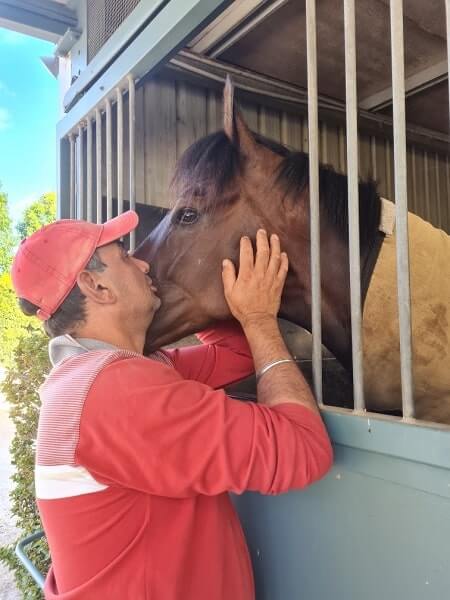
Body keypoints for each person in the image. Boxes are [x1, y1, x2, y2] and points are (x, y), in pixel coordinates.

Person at [11, 210, 333, 600]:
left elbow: (238, 355)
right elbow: (302, 449)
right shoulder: (117, 393)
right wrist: (260, 317)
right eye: (126, 257)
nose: (144, 263)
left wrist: (191, 293)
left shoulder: (106, 376)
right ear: (96, 286)